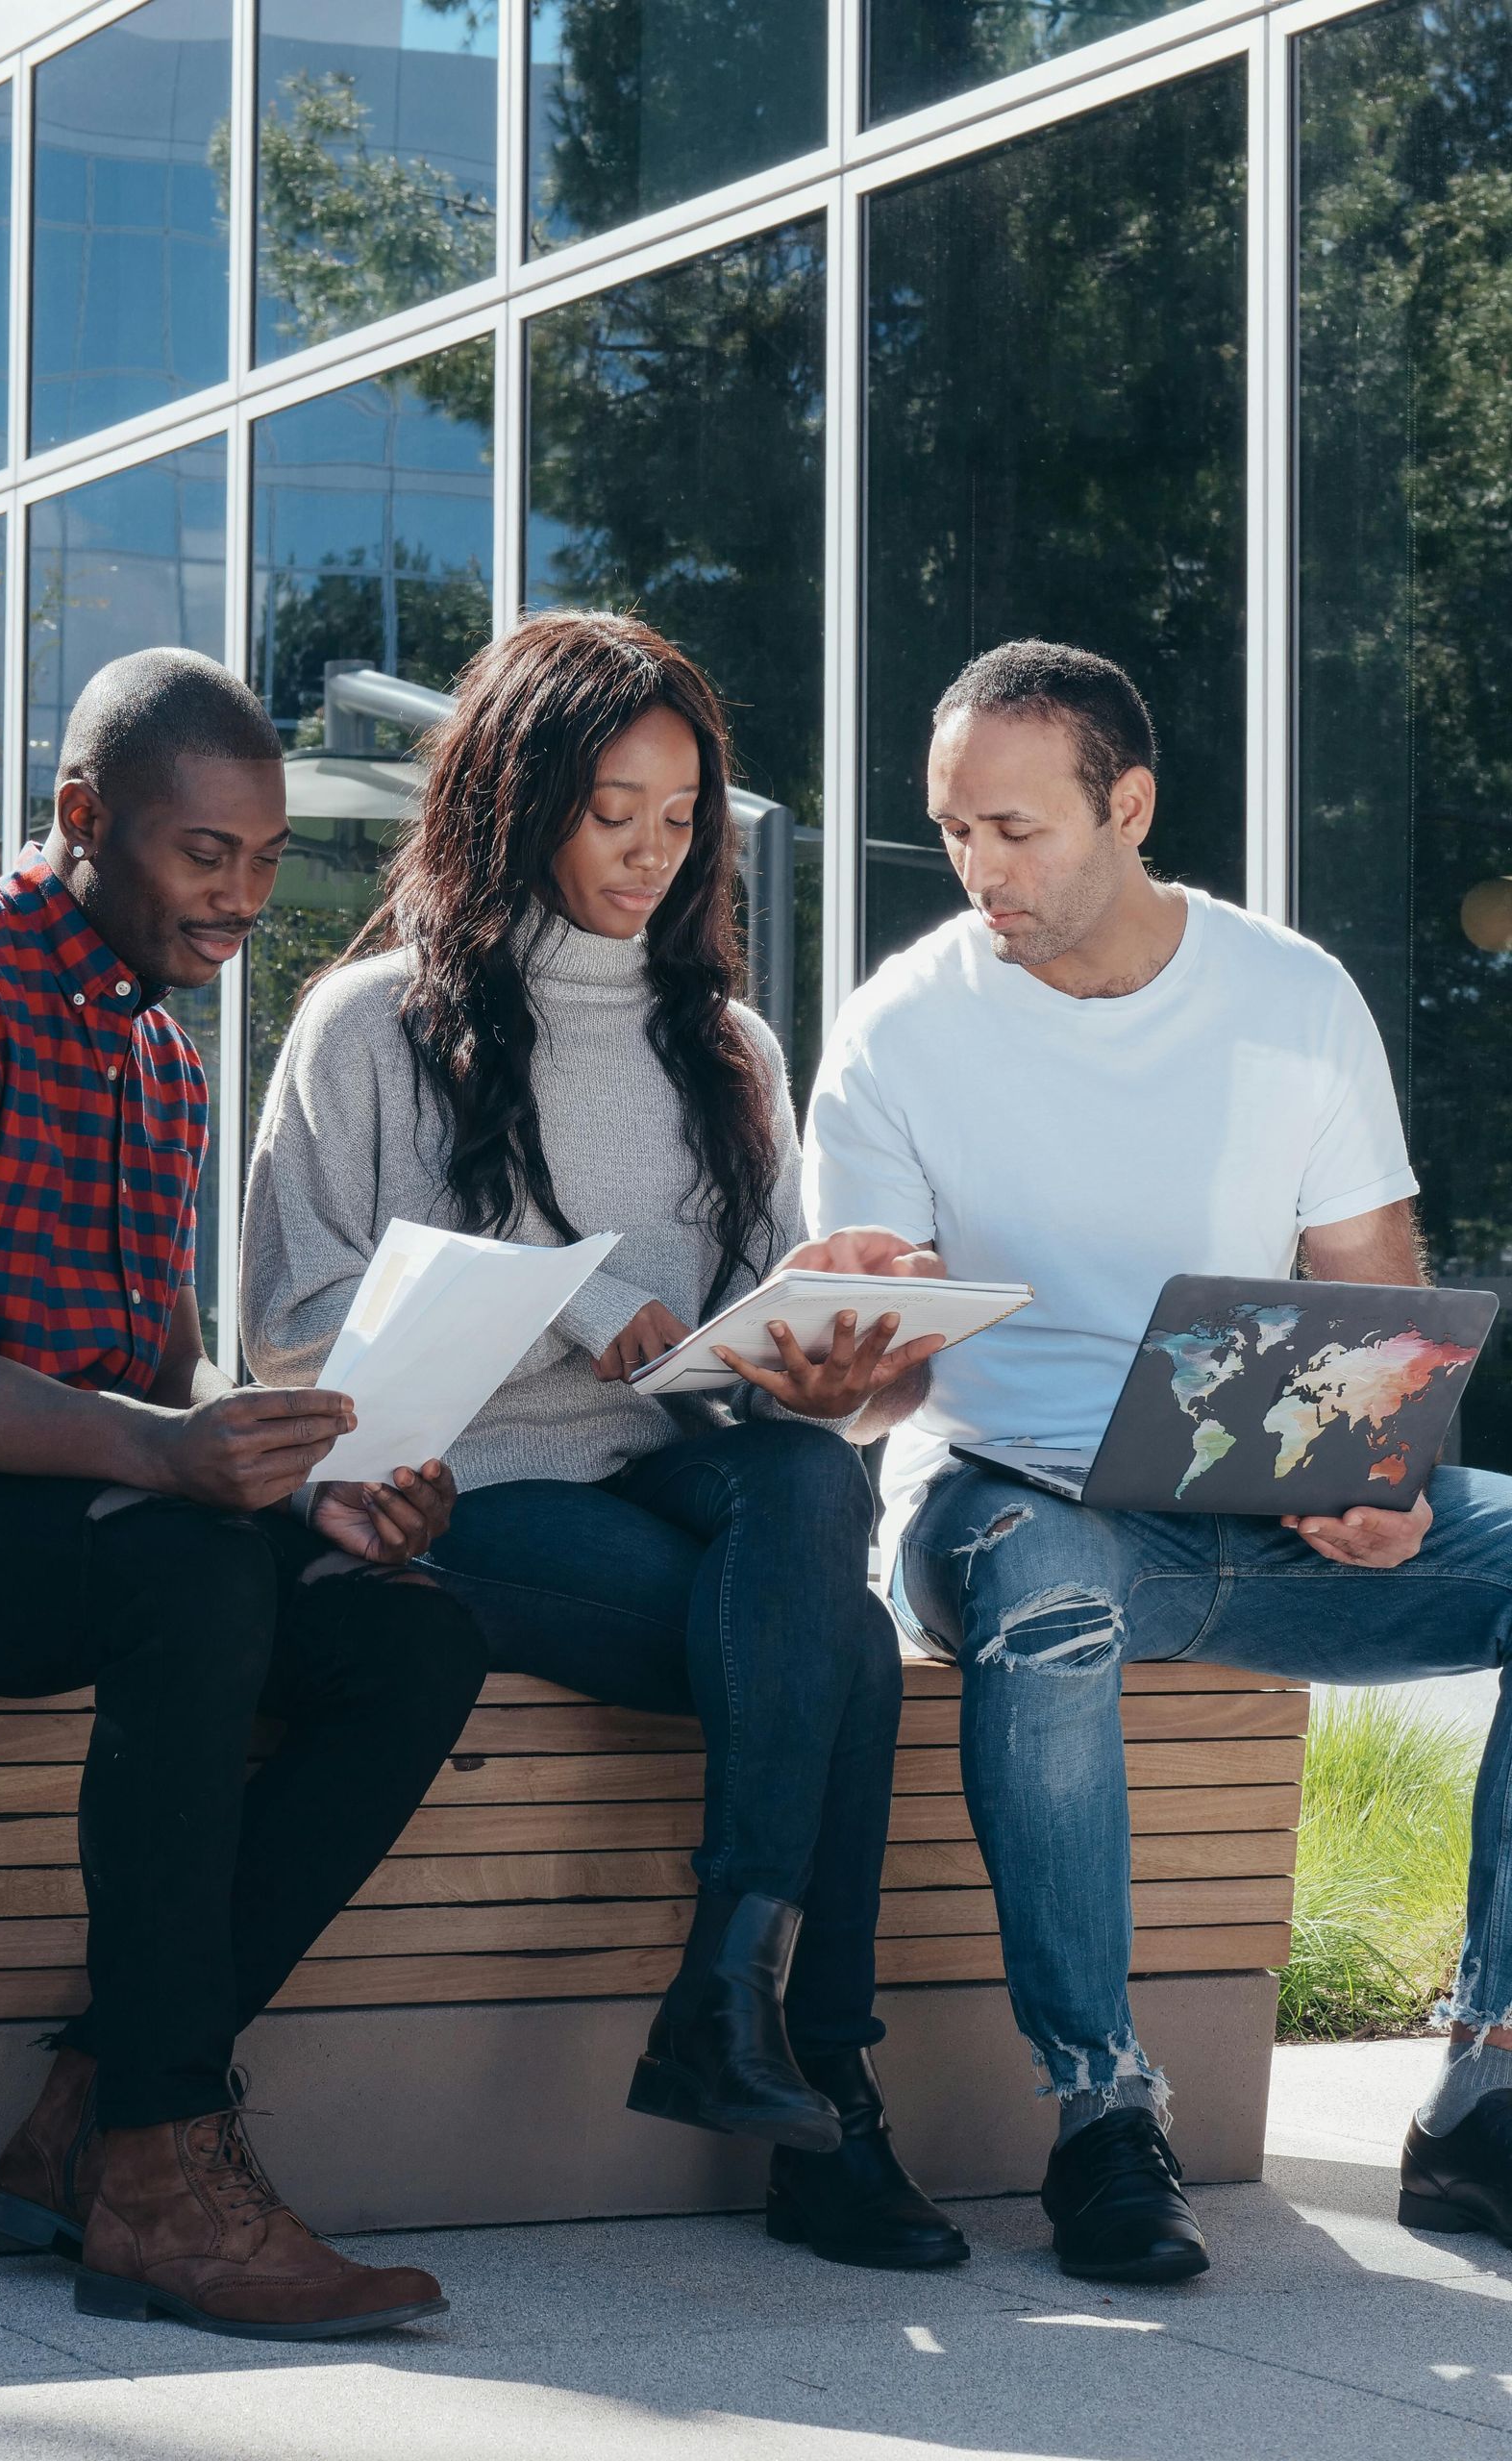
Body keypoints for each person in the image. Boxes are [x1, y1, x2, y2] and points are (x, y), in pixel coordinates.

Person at [0, 648, 487, 2342]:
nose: (245, 899)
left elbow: (161, 1395)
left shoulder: (159, 1063)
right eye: (208, 855)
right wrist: (170, 1463)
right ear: (81, 819)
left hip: (50, 1526)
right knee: (182, 1571)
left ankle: (85, 2117)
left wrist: (307, 1495)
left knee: (405, 1639)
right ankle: (161, 2172)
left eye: (268, 861)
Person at [242, 609, 965, 2271]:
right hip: (467, 1490)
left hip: (683, 1471)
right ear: (515, 796)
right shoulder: (368, 1025)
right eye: (612, 811)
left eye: (681, 817)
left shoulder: (726, 1048)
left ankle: (732, 1987)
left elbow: (729, 1347)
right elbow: (290, 1314)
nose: (654, 854)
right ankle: (823, 2095)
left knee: (798, 1468)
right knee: (845, 1651)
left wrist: (821, 1350)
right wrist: (570, 1307)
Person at [803, 635, 1512, 2285]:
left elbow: (1375, 1294)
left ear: (1127, 806)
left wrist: (1384, 1479)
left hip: (1241, 1507)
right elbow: (866, 1408)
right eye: (955, 829)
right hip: (1005, 1500)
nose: (980, 866)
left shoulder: (1286, 995)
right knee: (1048, 1597)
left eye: (1016, 828)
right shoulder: (901, 1031)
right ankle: (1103, 2121)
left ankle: (1482, 2094)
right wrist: (855, 1372)